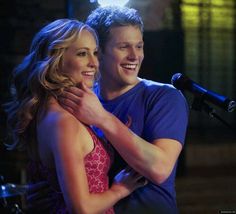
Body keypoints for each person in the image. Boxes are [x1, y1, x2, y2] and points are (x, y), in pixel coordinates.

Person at [4, 18, 146, 213]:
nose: (94, 63)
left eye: (95, 53)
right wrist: (121, 188)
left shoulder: (46, 110)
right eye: (82, 53)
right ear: (57, 58)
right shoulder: (63, 122)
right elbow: (81, 208)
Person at [59, 6, 189, 214]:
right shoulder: (81, 99)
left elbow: (160, 168)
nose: (134, 56)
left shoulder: (164, 97)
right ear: (98, 52)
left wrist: (102, 118)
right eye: (123, 47)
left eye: (139, 46)